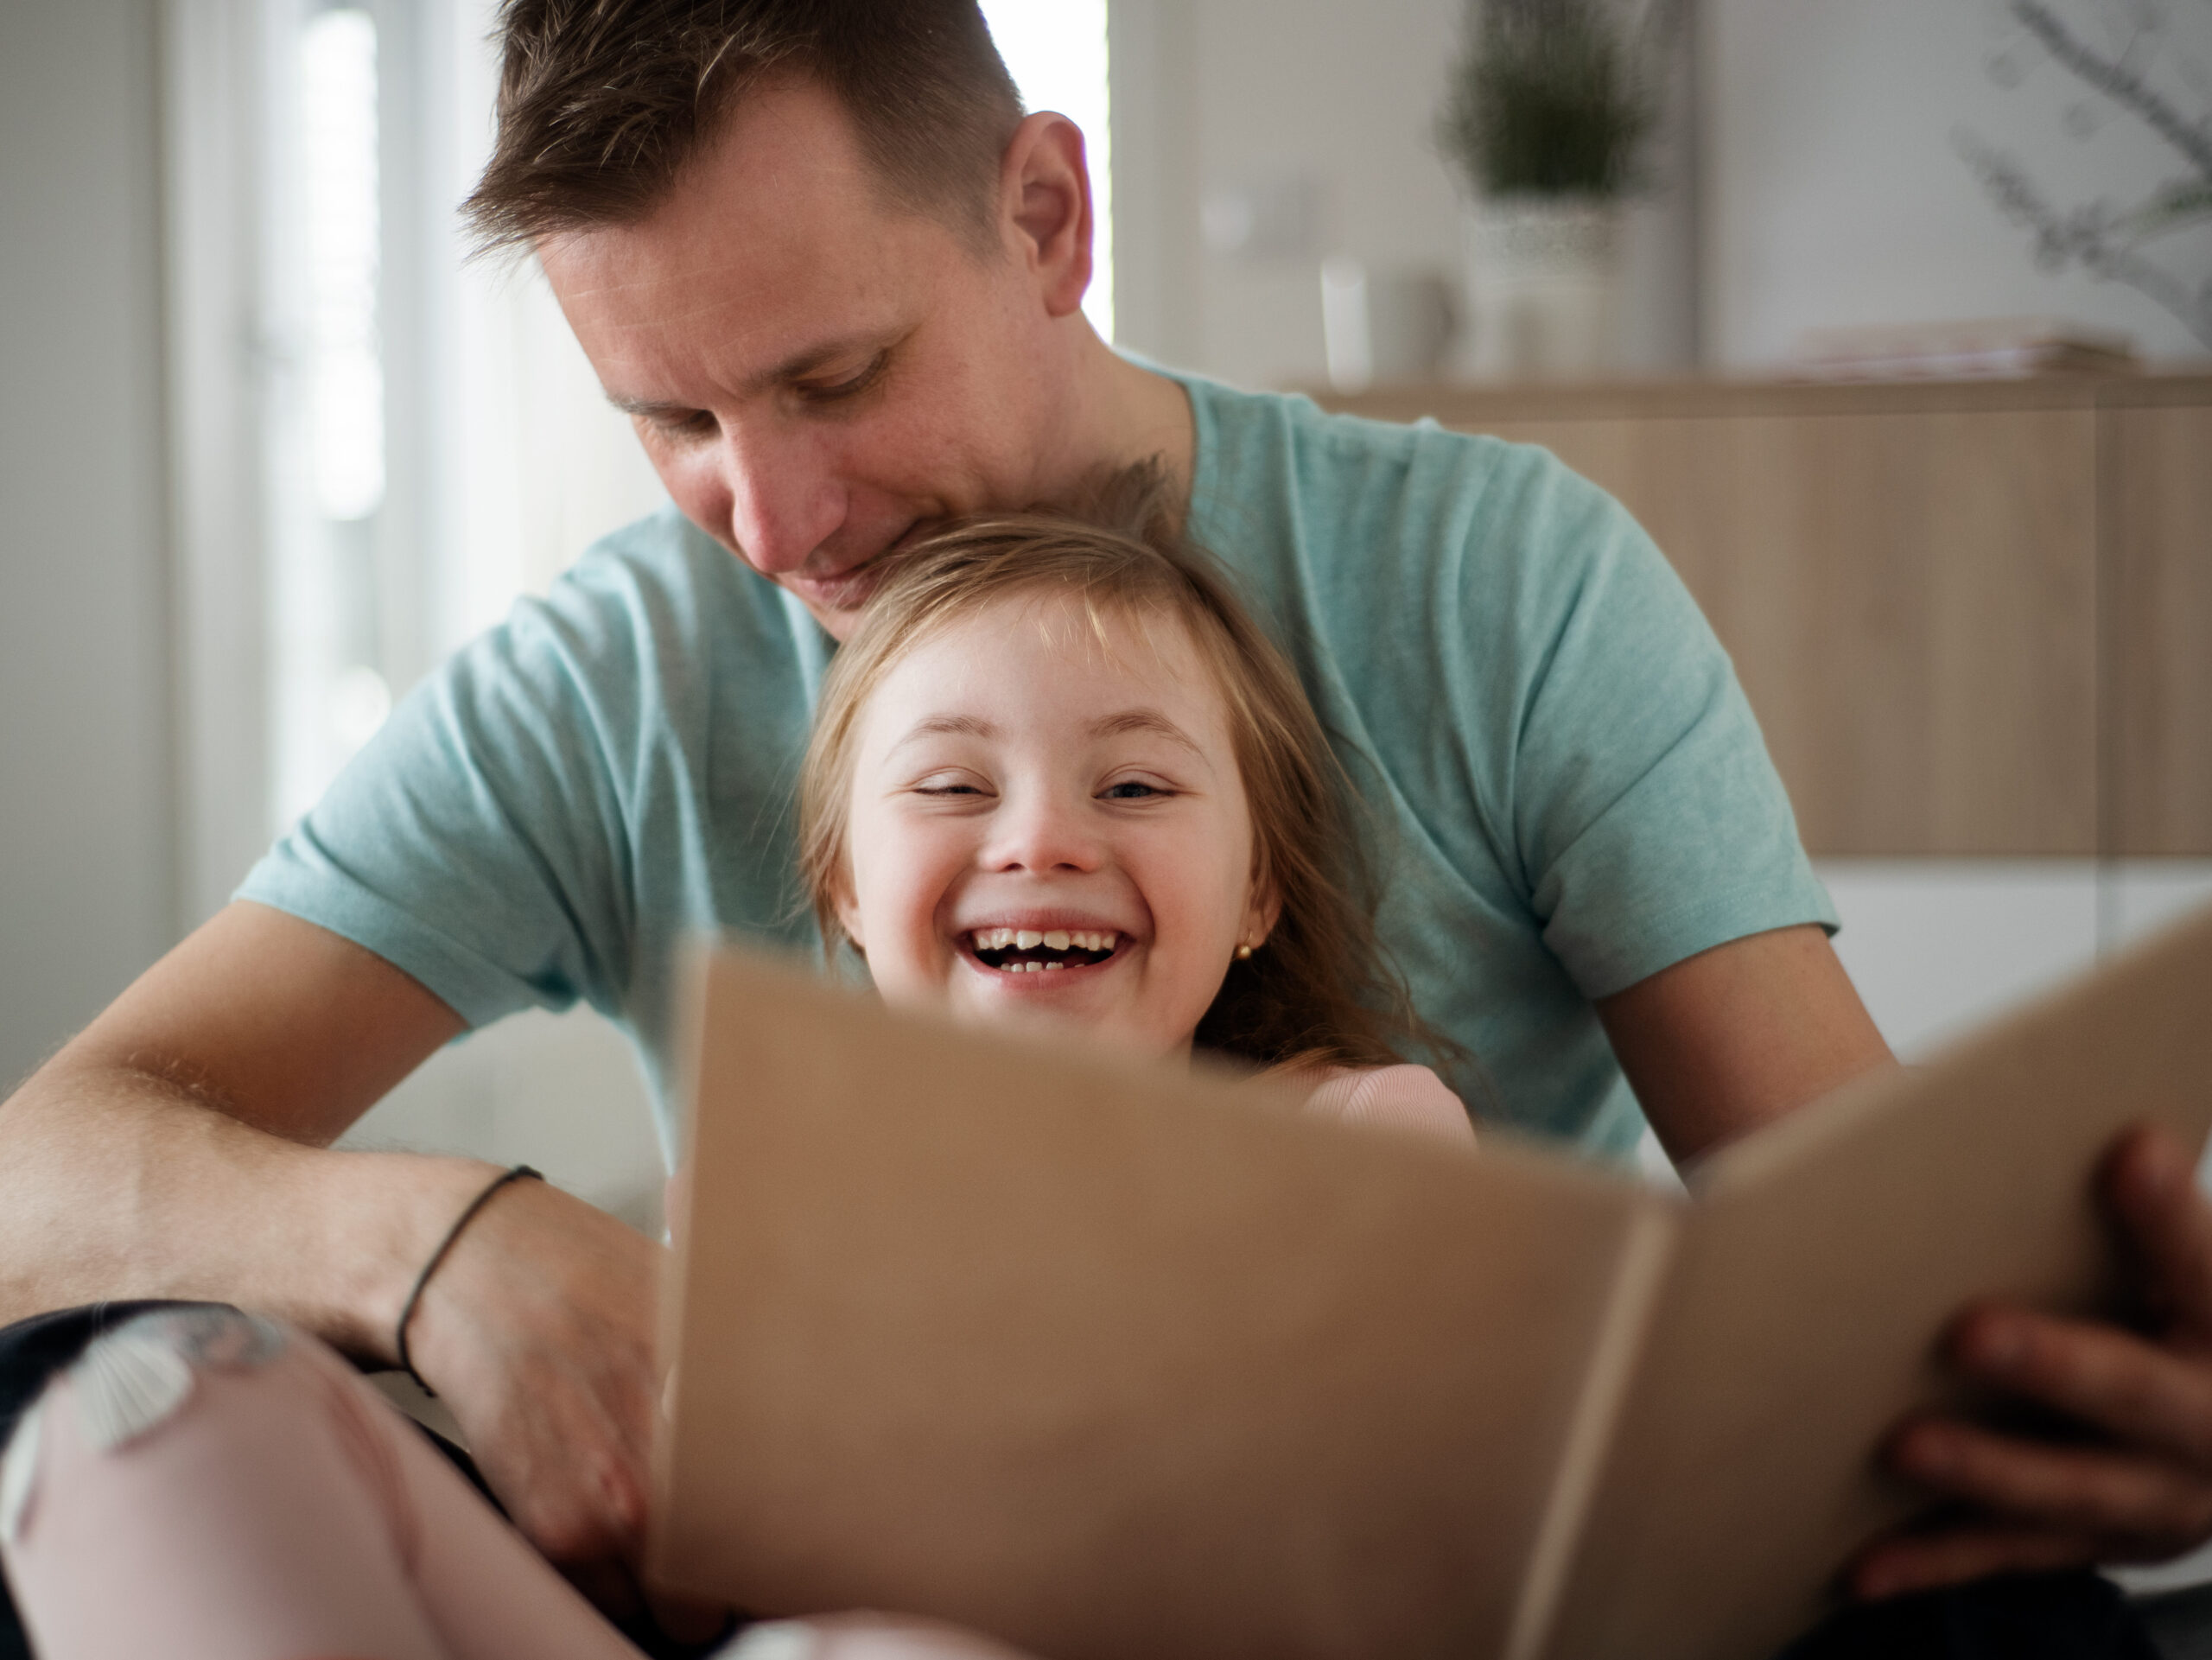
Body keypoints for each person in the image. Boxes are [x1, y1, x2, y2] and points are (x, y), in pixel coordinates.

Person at [0, 0, 2205, 1628]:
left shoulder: (1496, 582)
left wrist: (2084, 1397)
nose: (768, 521)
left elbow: (1849, 1252)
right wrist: (439, 1245)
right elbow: (46, 1166)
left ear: (1045, 213)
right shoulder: (610, 673)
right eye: (666, 419)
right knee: (103, 1396)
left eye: (833, 378)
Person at [0, 502, 1479, 1660]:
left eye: (1137, 785)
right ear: (843, 888)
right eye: (954, 784)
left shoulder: (1357, 1141)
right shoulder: (771, 1193)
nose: (1042, 839)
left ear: (1259, 893)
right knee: (145, 1406)